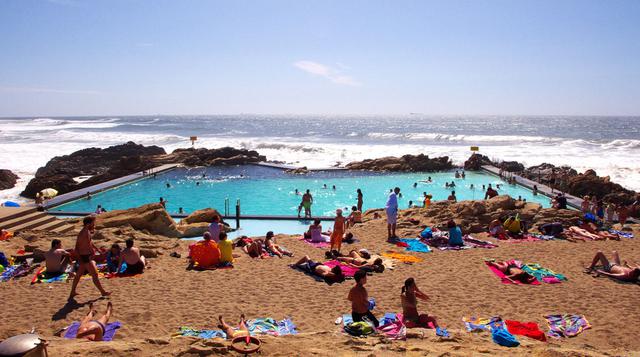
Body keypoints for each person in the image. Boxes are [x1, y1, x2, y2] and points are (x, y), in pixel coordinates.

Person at [69, 216, 110, 299]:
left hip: (83, 256)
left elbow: (88, 242)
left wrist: (96, 249)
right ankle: (103, 292)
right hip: (85, 256)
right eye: (93, 223)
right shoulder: (85, 232)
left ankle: (72, 292)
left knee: (78, 275)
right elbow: (86, 244)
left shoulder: (84, 231)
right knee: (94, 274)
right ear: (88, 224)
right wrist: (93, 253)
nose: (94, 224)